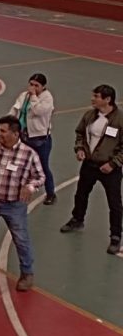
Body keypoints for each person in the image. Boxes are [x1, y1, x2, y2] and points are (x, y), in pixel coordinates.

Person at [0, 116, 44, 289]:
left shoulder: (28, 154)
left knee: (21, 239)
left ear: (15, 134)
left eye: (3, 131)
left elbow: (40, 177)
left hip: (14, 205)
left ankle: (27, 273)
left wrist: (30, 187)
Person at [61, 84, 123, 255]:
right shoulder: (89, 115)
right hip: (89, 165)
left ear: (107, 99)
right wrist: (80, 149)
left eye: (96, 96)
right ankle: (77, 219)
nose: (92, 99)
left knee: (114, 203)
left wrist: (113, 164)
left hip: (110, 169)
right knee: (81, 194)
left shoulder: (120, 120)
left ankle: (115, 236)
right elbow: (80, 133)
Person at [10, 73, 56, 204]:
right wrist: (8, 122)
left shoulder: (47, 98)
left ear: (43, 87)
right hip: (24, 135)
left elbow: (38, 111)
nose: (33, 87)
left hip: (40, 138)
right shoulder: (24, 95)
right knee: (19, 163)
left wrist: (34, 96)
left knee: (43, 167)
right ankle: (17, 190)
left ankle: (50, 193)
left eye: (37, 85)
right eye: (31, 84)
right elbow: (15, 110)